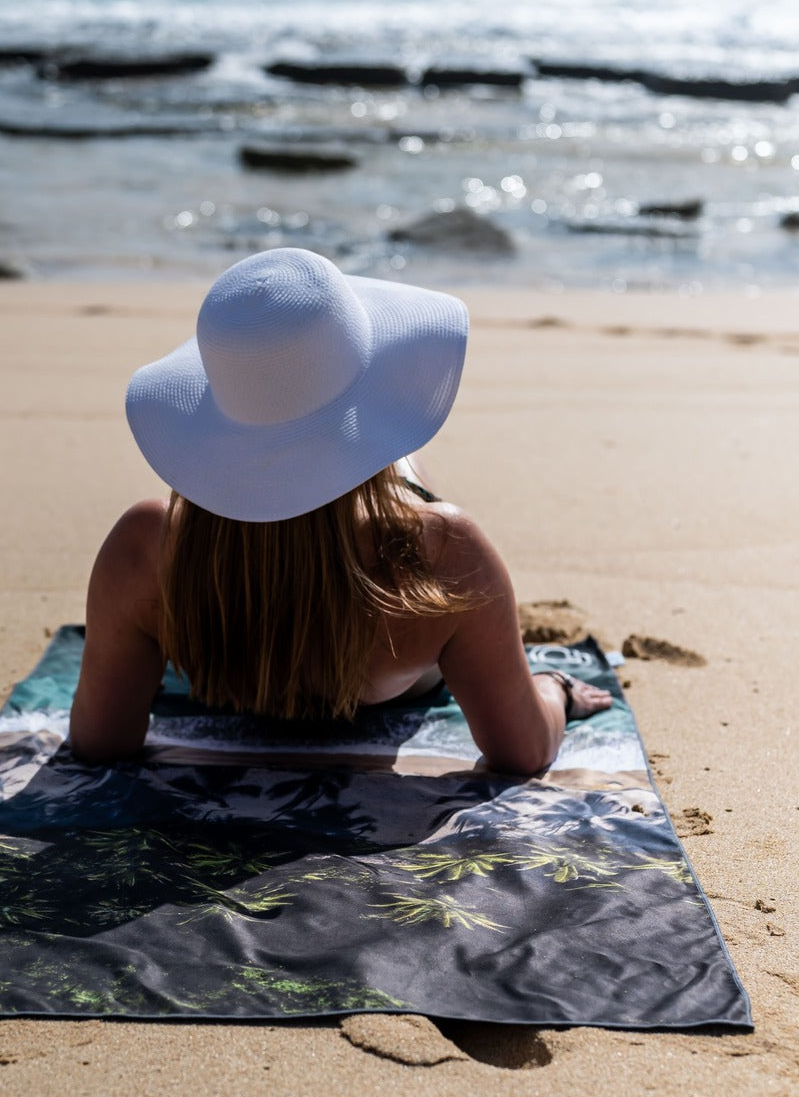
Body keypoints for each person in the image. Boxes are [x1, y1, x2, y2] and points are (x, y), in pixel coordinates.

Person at [69, 248, 611, 770]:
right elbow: (524, 750)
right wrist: (554, 688)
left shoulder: (144, 546)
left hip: (223, 651)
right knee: (400, 460)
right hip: (385, 653)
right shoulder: (441, 553)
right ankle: (357, 433)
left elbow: (101, 742)